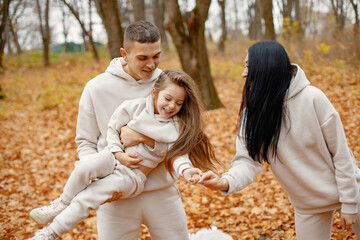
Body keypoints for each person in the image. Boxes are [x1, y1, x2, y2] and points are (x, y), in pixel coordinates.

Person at [29, 21, 193, 240]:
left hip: (161, 193)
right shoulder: (96, 88)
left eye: (156, 56)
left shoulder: (170, 87)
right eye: (142, 58)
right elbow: (85, 142)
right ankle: (59, 208)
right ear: (124, 54)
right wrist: (101, 180)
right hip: (115, 196)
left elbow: (182, 137)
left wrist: (142, 137)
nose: (151, 65)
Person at [28, 69, 218, 239]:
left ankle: (48, 233)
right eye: (167, 99)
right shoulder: (133, 107)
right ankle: (61, 203)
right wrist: (117, 153)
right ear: (155, 92)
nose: (171, 106)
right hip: (113, 157)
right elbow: (112, 128)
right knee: (84, 167)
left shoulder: (175, 126)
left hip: (132, 176)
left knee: (88, 197)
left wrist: (187, 171)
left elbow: (177, 155)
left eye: (178, 103)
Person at [199, 40, 360, 240]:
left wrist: (350, 203)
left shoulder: (313, 98)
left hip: (351, 192)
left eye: (249, 66)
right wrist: (224, 182)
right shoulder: (253, 113)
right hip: (307, 204)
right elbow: (248, 161)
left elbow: (341, 154)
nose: (243, 73)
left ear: (266, 68)